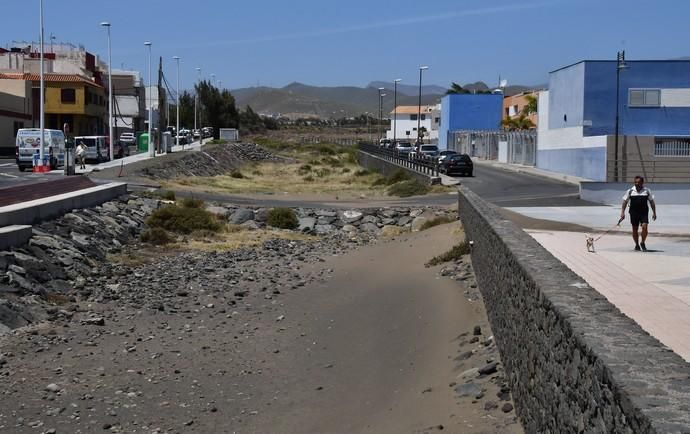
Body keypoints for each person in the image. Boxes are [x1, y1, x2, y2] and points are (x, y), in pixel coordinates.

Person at [620, 176, 657, 252]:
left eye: (638, 182)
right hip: (633, 213)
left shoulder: (647, 191)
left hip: (644, 212)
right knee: (634, 229)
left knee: (644, 227)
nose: (637, 183)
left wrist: (654, 213)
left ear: (642, 183)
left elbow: (652, 202)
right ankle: (636, 244)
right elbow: (625, 202)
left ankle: (642, 242)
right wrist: (622, 212)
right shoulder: (630, 191)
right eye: (635, 182)